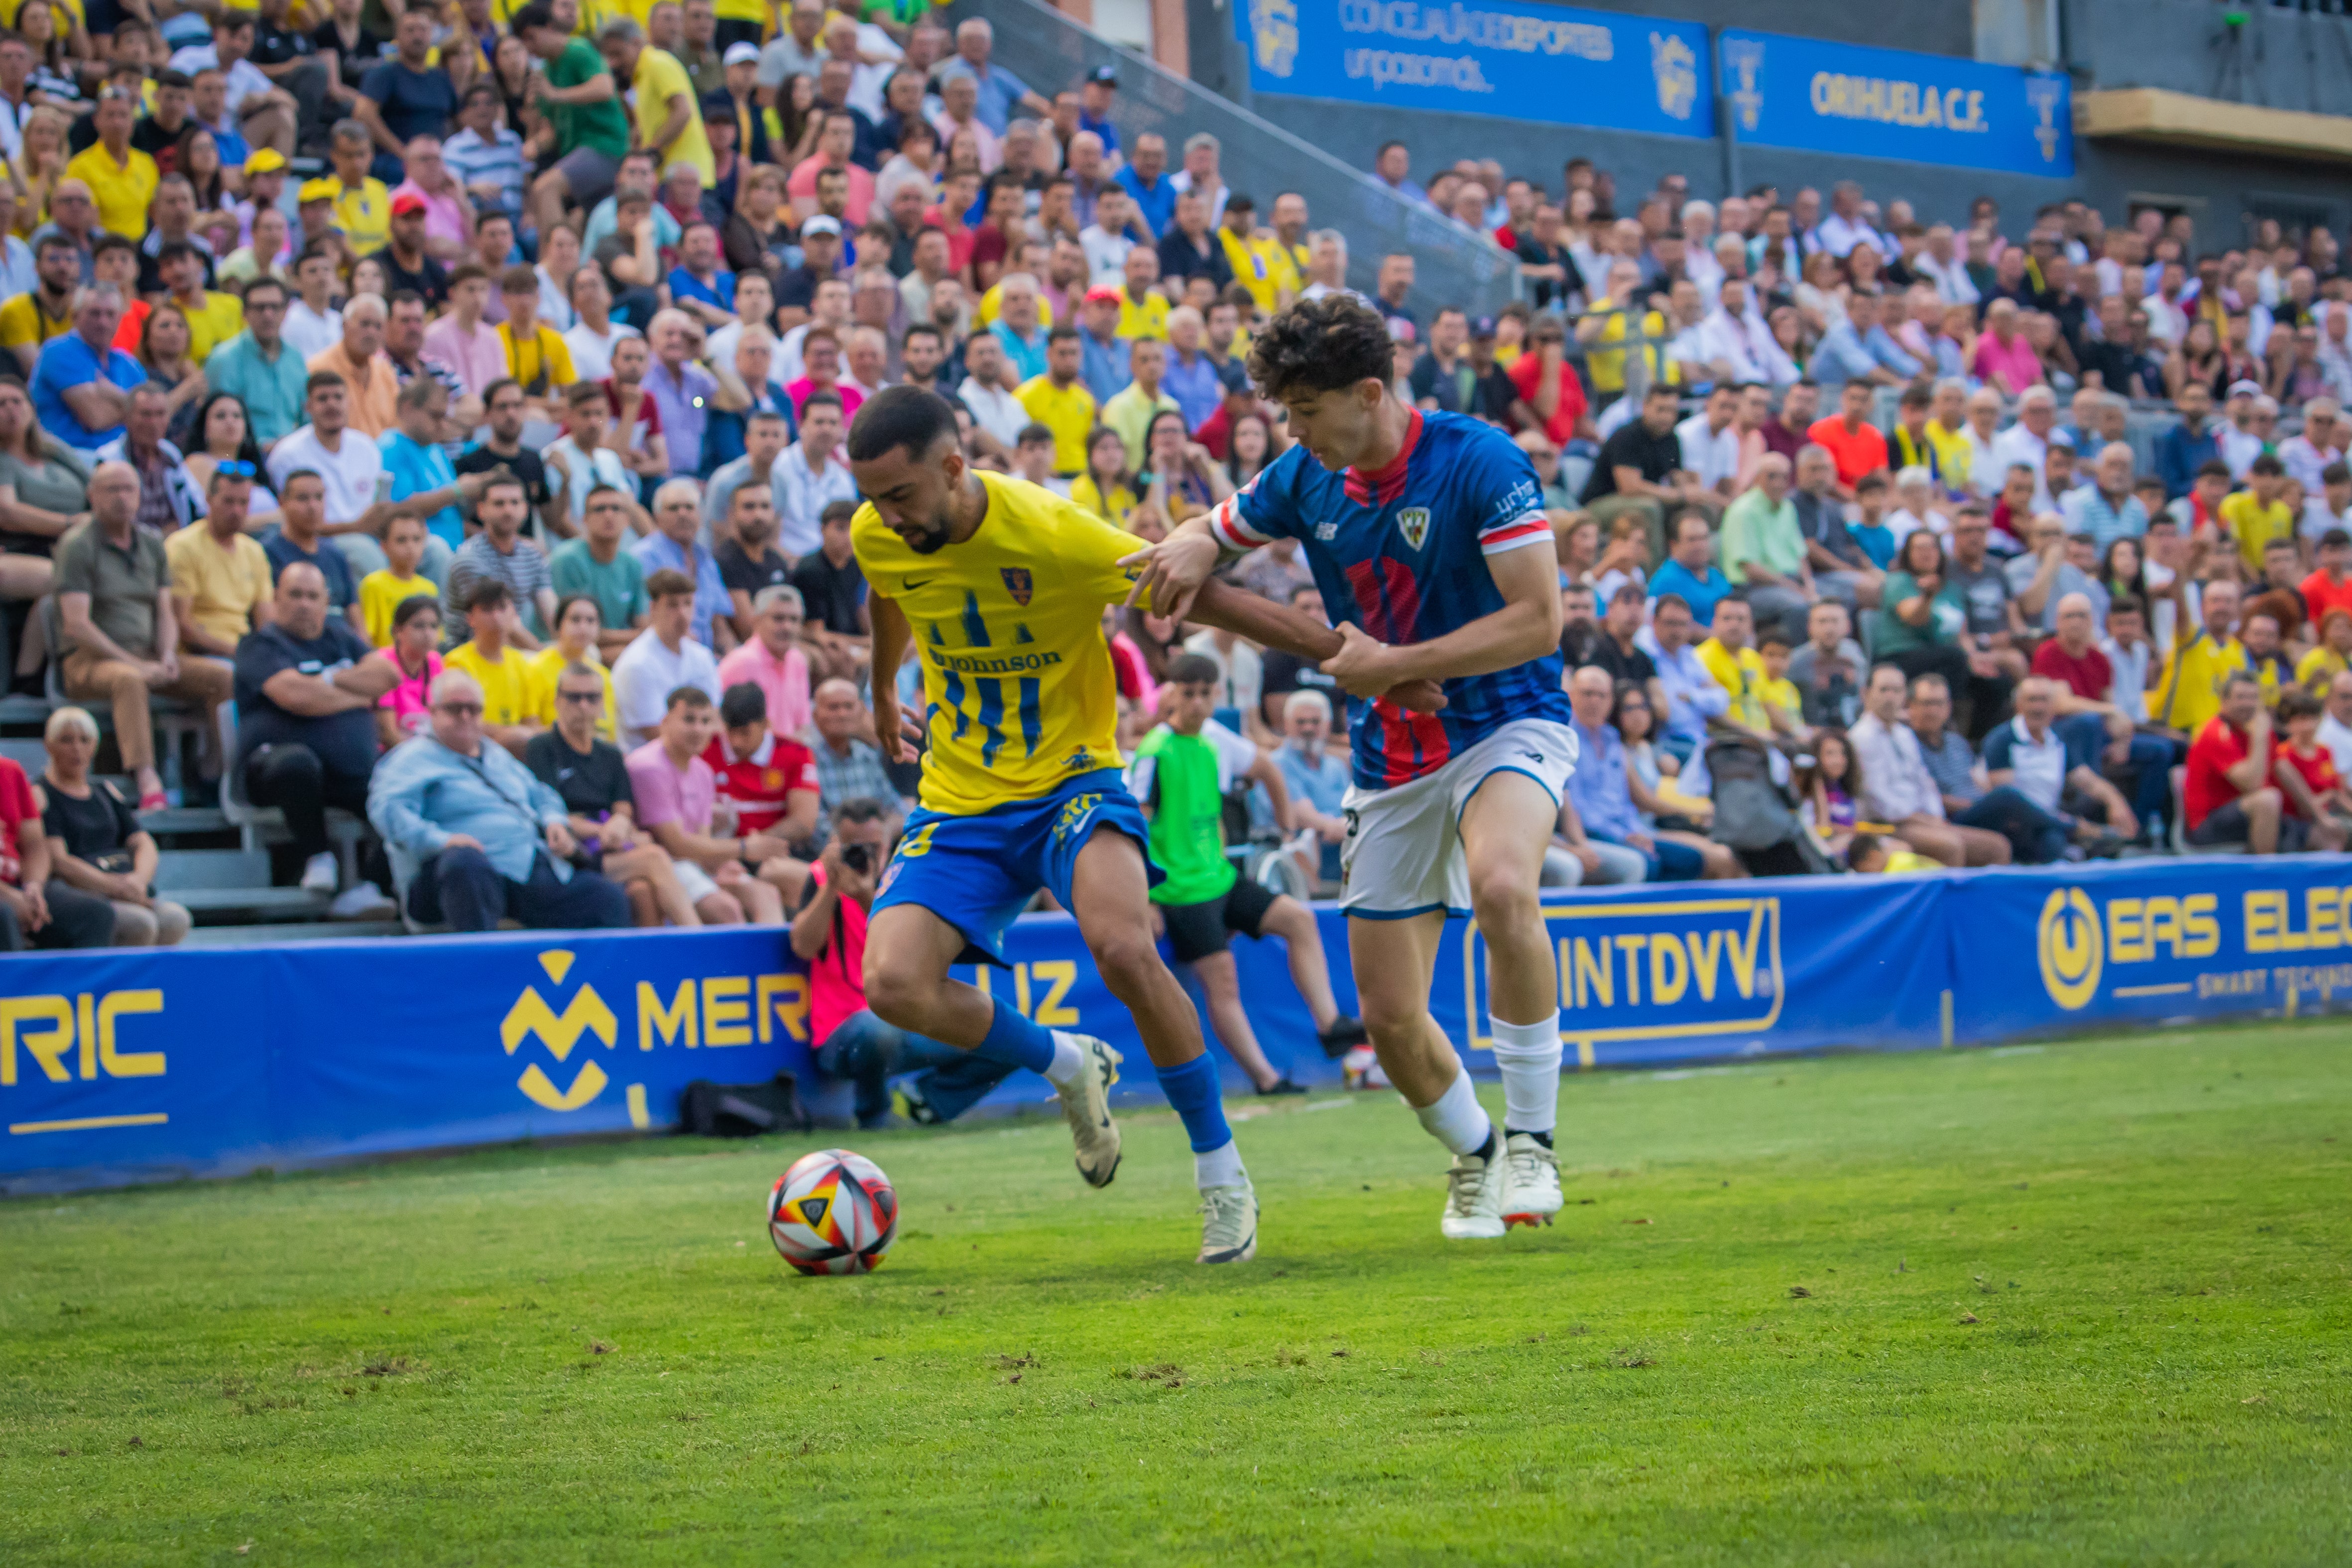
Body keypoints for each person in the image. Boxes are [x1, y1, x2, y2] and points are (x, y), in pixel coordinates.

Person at [848, 384, 1379, 1264]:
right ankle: (1066, 1061)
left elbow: (1211, 601)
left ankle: (1221, 1176)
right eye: (871, 500)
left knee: (1127, 949)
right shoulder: (885, 530)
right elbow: (887, 590)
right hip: (960, 797)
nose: (883, 517)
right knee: (892, 984)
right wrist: (879, 687)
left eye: (898, 496)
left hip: (1072, 784)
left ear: (952, 467)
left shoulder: (1057, 534)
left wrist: (1356, 660)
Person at [1125, 294, 1575, 1244]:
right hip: (1389, 761)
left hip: (1502, 721)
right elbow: (1224, 524)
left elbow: (1539, 621)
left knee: (1503, 884)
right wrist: (1197, 536)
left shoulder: (1479, 459)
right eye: (1282, 414)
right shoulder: (1303, 472)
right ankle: (1477, 1155)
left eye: (1303, 412)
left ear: (1368, 393)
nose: (1289, 433)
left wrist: (1397, 664)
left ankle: (1533, 1140)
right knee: (1389, 1019)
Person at [1130, 654, 1365, 1095]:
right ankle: (1266, 1077)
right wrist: (1146, 898)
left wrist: (1285, 825)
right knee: (1223, 981)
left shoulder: (1214, 739)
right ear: (1172, 694)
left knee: (1298, 920)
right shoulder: (1154, 752)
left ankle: (1332, 1025)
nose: (1198, 703)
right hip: (1179, 891)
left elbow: (1267, 770)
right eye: (1189, 693)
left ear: (1217, 694)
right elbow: (1136, 826)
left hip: (1219, 876)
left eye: (1205, 693)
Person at [369, 667, 634, 930]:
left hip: (523, 867)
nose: (465, 716)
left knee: (605, 899)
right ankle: (481, 970)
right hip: (455, 875)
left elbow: (541, 794)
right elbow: (388, 812)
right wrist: (444, 841)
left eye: (474, 709)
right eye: (454, 709)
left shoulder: (496, 755)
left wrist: (554, 822)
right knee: (465, 863)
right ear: (433, 711)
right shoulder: (410, 759)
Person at [54, 462, 230, 812]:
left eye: (129, 489)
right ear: (92, 496)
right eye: (112, 490)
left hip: (148, 654)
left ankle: (217, 769)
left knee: (222, 677)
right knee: (130, 679)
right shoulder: (77, 545)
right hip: (88, 661)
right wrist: (135, 662)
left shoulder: (152, 544)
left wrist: (166, 654)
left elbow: (164, 611)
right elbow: (77, 624)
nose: (122, 498)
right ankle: (146, 776)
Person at [233, 560, 402, 913]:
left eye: (313, 596)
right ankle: (317, 857)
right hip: (274, 772)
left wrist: (325, 682)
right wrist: (354, 689)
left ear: (327, 602)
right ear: (276, 598)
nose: (304, 604)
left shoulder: (341, 638)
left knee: (402, 787)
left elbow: (387, 675)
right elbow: (297, 698)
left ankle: (372, 887)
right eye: (295, 594)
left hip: (349, 771)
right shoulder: (259, 645)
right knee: (297, 763)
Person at [525, 658, 700, 928]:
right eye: (574, 697)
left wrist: (619, 825)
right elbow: (547, 813)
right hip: (570, 853)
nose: (583, 706)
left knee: (642, 891)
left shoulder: (610, 754)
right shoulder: (542, 748)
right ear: (557, 701)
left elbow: (624, 807)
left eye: (592, 698)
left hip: (610, 848)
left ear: (601, 703)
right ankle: (696, 940)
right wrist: (602, 830)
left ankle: (651, 967)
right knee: (654, 858)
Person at [625, 684, 788, 924]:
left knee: (766, 894)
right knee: (726, 909)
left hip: (689, 865)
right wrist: (744, 848)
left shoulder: (703, 771)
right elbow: (676, 845)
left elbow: (702, 840)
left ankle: (767, 964)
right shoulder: (648, 766)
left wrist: (724, 864)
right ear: (666, 722)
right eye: (689, 720)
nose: (698, 729)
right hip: (662, 864)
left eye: (705, 721)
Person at [36, 706, 191, 947]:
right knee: (140, 924)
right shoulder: (42, 794)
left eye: (84, 740)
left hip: (126, 884)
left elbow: (142, 842)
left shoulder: (105, 792)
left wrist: (138, 881)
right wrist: (114, 887)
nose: (77, 748)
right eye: (67, 740)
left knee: (175, 919)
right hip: (84, 893)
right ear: (49, 745)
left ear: (94, 746)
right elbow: (59, 861)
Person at [1848, 663, 2012, 869]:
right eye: (1884, 690)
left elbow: (1925, 783)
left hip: (1921, 821)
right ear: (1866, 694)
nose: (1890, 697)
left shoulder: (1904, 734)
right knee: (1950, 846)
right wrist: (1923, 820)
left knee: (1997, 847)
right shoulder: (1860, 738)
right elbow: (1880, 801)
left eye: (1897, 690)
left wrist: (1934, 817)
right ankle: (1950, 903)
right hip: (1885, 825)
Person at [0, 746, 114, 951]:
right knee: (4, 915)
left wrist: (34, 886)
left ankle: (79, 985)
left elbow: (35, 846)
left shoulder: (10, 771)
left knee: (95, 914)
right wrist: (7, 895)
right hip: (4, 895)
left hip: (19, 883)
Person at [2184, 674, 2303, 854]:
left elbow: (2282, 767)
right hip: (2206, 825)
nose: (2248, 704)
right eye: (2241, 697)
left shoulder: (2252, 727)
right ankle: (2266, 877)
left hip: (2244, 814)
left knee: (2324, 833)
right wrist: (2260, 737)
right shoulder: (2216, 732)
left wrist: (2320, 816)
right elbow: (2252, 784)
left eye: (2253, 698)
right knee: (2268, 800)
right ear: (2224, 700)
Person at [612, 568, 722, 745]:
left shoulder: (702, 656)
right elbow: (657, 734)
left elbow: (714, 717)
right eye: (672, 605)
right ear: (653, 608)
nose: (682, 613)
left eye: (687, 603)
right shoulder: (637, 664)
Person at [32, 283, 144, 451]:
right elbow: (95, 419)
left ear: (121, 318)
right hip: (70, 456)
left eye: (111, 314)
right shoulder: (59, 351)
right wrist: (137, 409)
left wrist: (114, 395)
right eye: (94, 313)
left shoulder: (129, 363)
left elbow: (155, 417)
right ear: (75, 316)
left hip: (123, 456)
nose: (103, 322)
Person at [717, 584, 815, 741]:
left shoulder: (798, 661)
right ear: (756, 621)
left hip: (788, 754)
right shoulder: (742, 663)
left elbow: (802, 726)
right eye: (778, 618)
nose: (787, 627)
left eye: (794, 620)